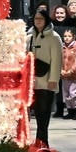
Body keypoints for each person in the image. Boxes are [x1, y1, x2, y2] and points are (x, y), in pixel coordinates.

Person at [27, 9, 63, 144]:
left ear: (46, 20)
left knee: (44, 112)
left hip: (46, 81)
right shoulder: (29, 36)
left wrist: (53, 80)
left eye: (41, 19)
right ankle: (38, 141)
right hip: (32, 81)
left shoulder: (54, 37)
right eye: (36, 18)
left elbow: (57, 60)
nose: (38, 21)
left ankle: (43, 141)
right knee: (37, 113)